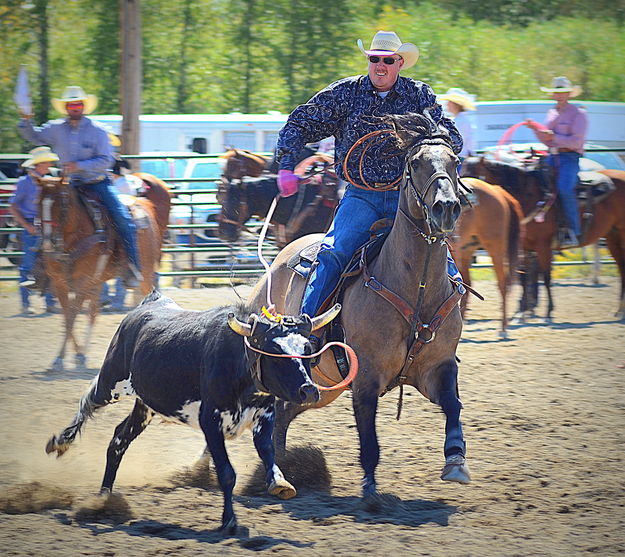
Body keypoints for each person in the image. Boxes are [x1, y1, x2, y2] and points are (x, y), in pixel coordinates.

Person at [275, 30, 463, 351]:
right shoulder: (344, 94)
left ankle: (443, 339)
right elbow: (299, 123)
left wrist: (431, 136)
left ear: (399, 63)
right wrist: (286, 163)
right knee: (334, 252)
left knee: (440, 258)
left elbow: (451, 136)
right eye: (374, 59)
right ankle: (303, 330)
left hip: (407, 199)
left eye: (387, 60)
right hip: (361, 195)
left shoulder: (418, 96)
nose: (379, 65)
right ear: (368, 61)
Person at [17, 85, 143, 287]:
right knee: (47, 217)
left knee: (122, 217)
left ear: (83, 106)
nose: (74, 107)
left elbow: (106, 161)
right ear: (66, 107)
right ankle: (40, 271)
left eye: (77, 104)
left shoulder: (98, 131)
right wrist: (25, 119)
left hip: (97, 183)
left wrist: (79, 166)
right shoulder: (55, 128)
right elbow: (34, 136)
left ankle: (132, 268)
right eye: (71, 104)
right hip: (69, 185)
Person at [525, 76, 588, 248]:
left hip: (570, 158)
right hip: (553, 156)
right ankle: (544, 227)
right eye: (557, 93)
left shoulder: (578, 114)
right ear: (553, 95)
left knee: (565, 188)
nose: (559, 96)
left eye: (563, 93)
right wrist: (536, 130)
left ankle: (574, 231)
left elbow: (576, 141)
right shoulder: (552, 113)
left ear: (569, 94)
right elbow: (547, 139)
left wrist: (554, 137)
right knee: (534, 181)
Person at [9, 146, 58, 315]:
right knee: (28, 265)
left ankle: (49, 302)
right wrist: (26, 225)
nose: (50, 164)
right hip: (32, 225)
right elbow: (13, 206)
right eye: (47, 162)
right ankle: (26, 303)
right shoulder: (25, 182)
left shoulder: (49, 180)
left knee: (50, 262)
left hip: (46, 225)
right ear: (39, 164)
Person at [438, 88, 477, 160]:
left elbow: (457, 141)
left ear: (455, 104)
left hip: (461, 158)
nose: (447, 104)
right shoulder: (459, 119)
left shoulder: (461, 121)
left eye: (449, 102)